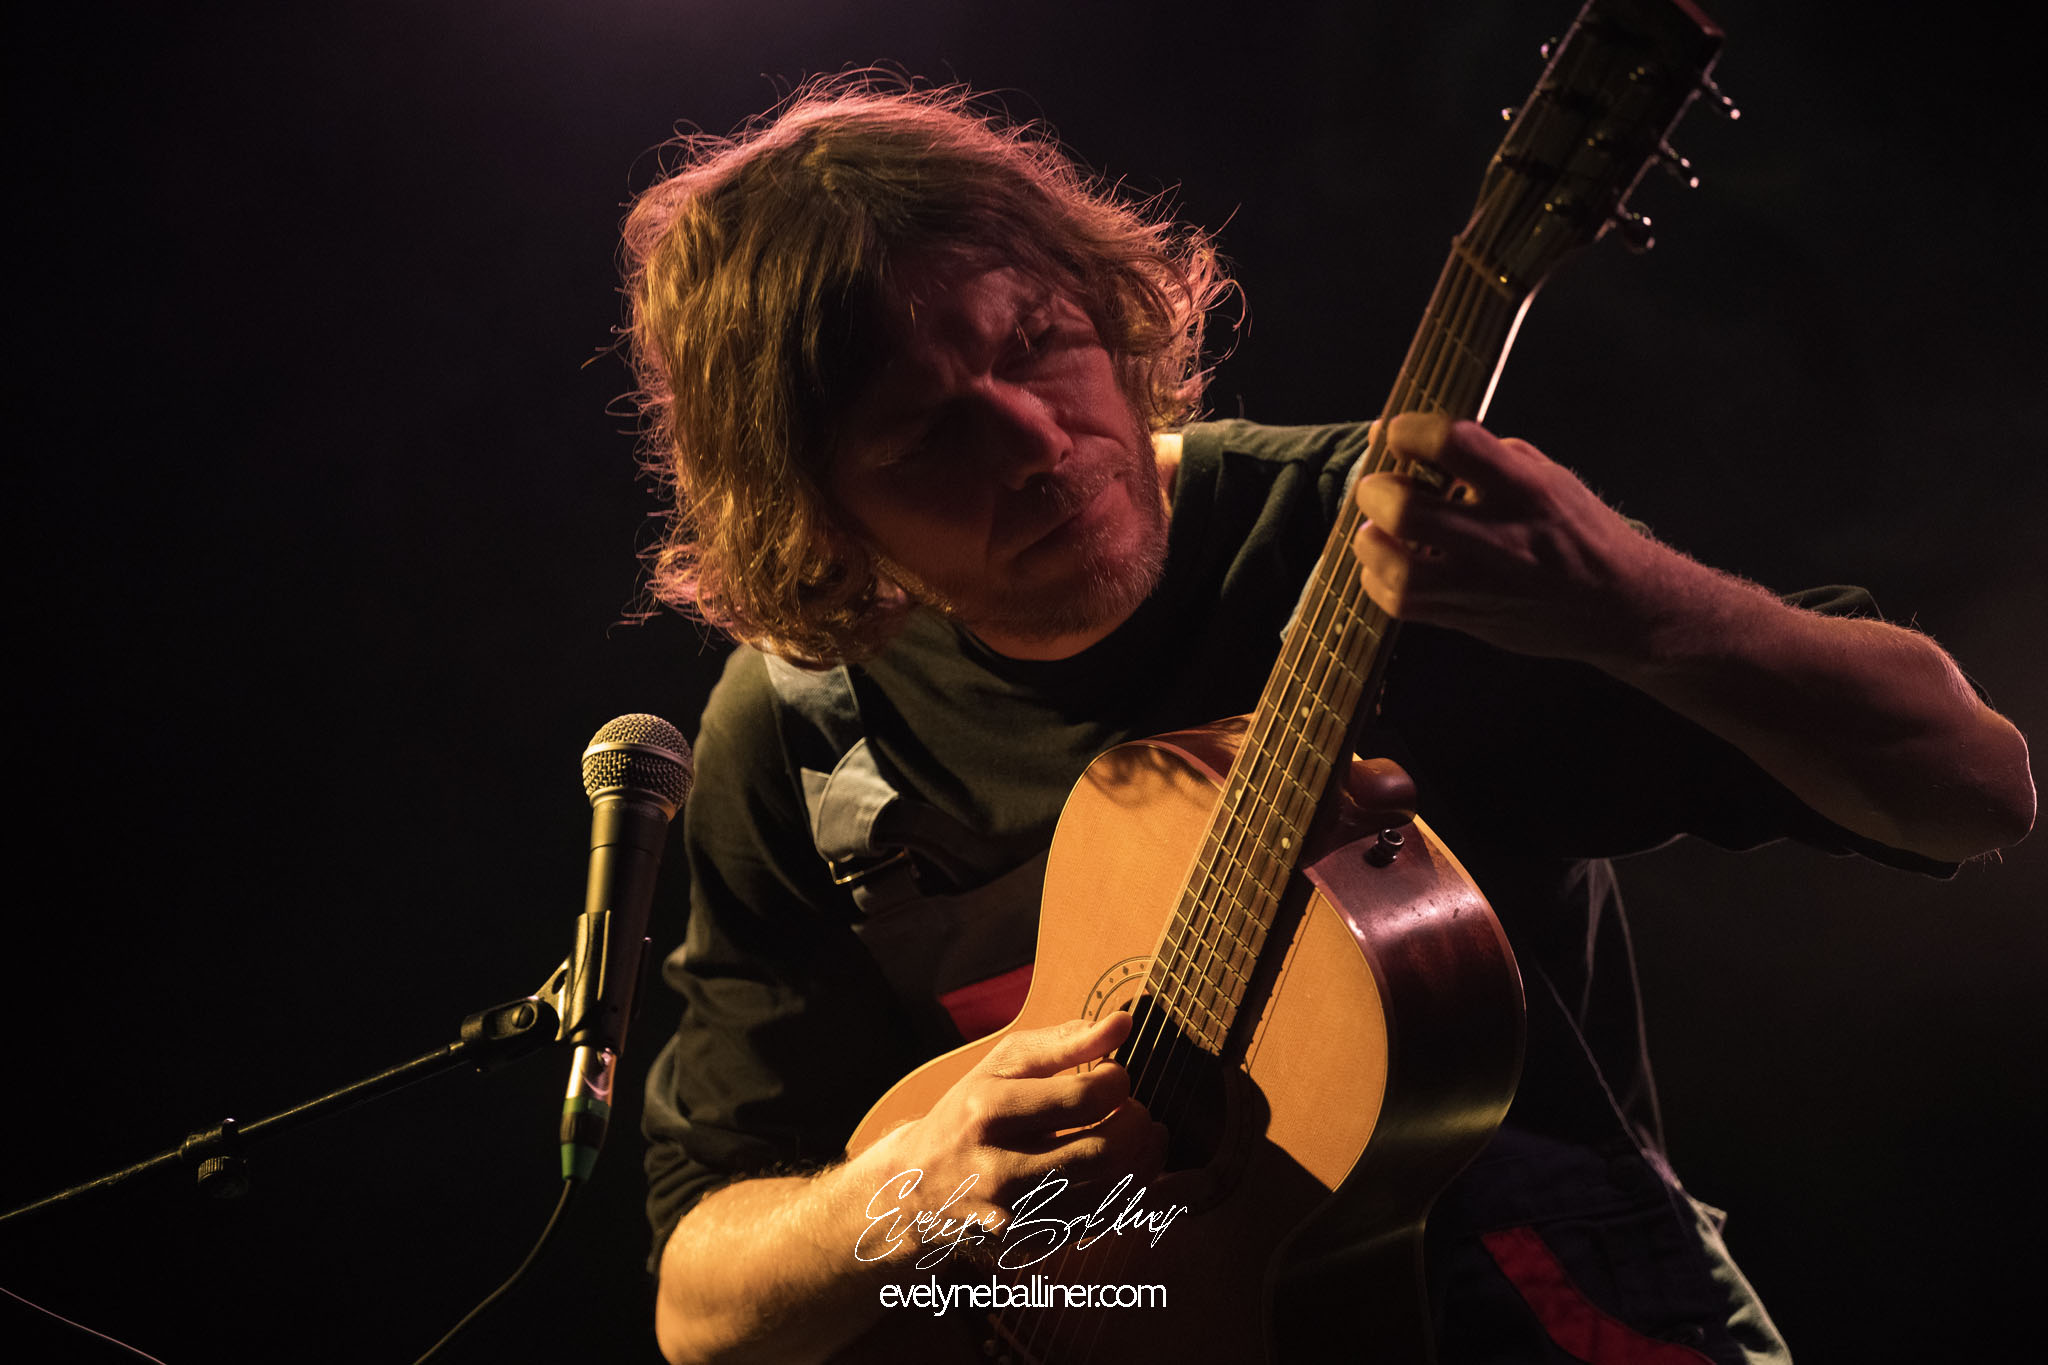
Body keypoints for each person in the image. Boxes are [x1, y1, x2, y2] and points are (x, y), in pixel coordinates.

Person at [619, 81, 2034, 1364]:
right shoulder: (804, 735)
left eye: (1038, 343)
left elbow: (1977, 788)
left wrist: (1632, 603)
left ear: (1104, 304)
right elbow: (696, 1303)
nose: (1037, 441)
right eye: (929, 434)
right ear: (817, 512)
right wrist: (900, 1191)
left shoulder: (1394, 549)